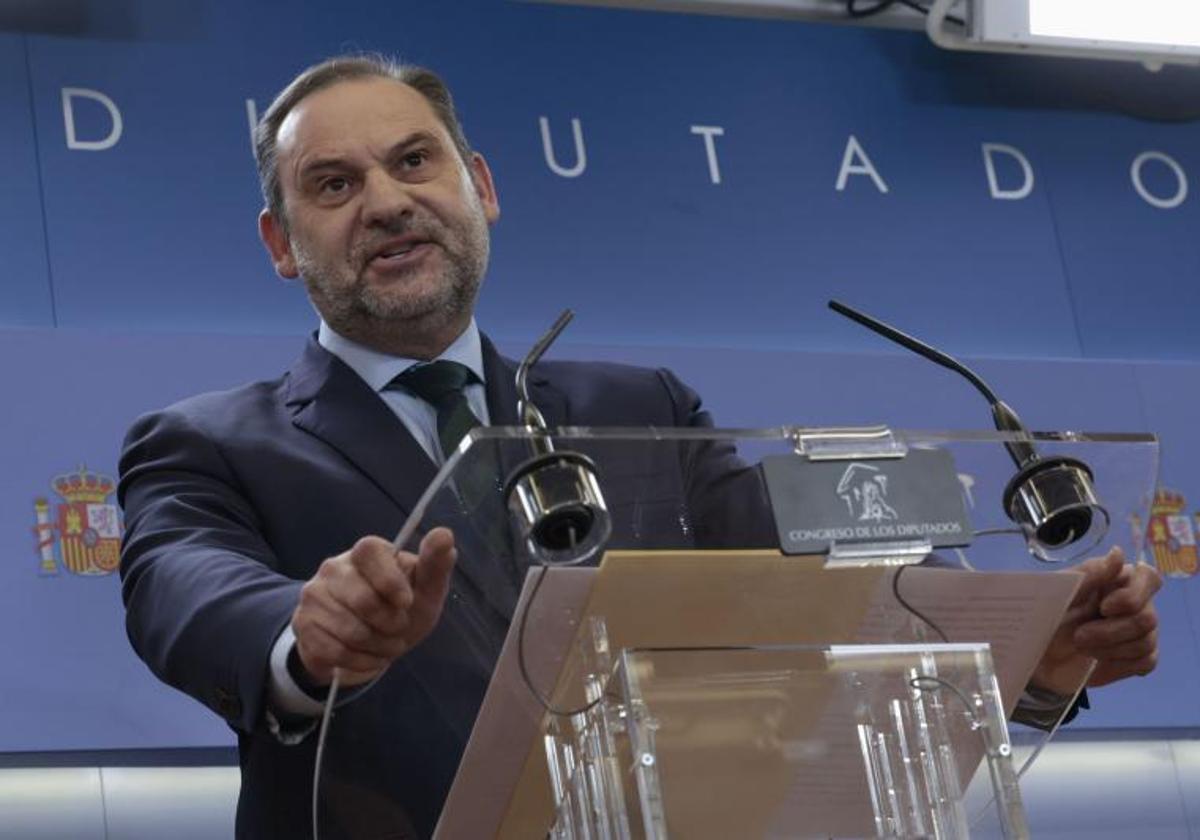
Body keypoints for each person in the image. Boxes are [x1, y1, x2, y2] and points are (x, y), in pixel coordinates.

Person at [118, 55, 1162, 839]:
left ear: (479, 186)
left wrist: (1035, 658)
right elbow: (183, 586)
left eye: (413, 160)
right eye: (333, 185)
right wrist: (304, 636)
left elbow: (822, 569)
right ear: (279, 247)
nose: (387, 201)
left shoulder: (640, 405)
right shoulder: (208, 443)